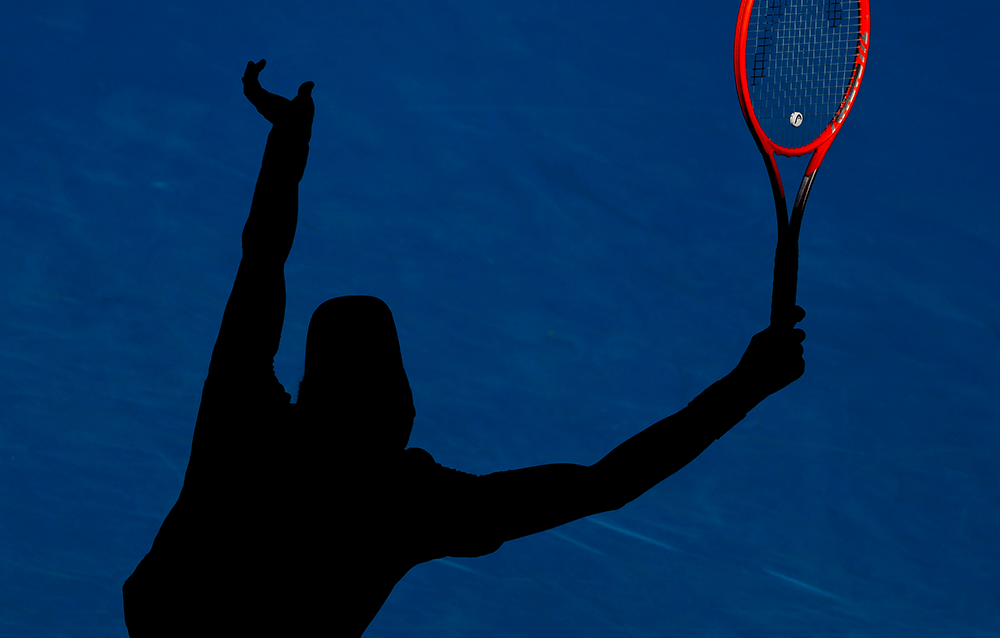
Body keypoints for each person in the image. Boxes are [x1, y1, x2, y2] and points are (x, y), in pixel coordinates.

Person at [122, 60, 806, 637]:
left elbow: (261, 259)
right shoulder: (411, 504)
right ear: (401, 413)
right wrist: (748, 383)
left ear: (308, 386)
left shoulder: (243, 413)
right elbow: (610, 483)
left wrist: (287, 146)